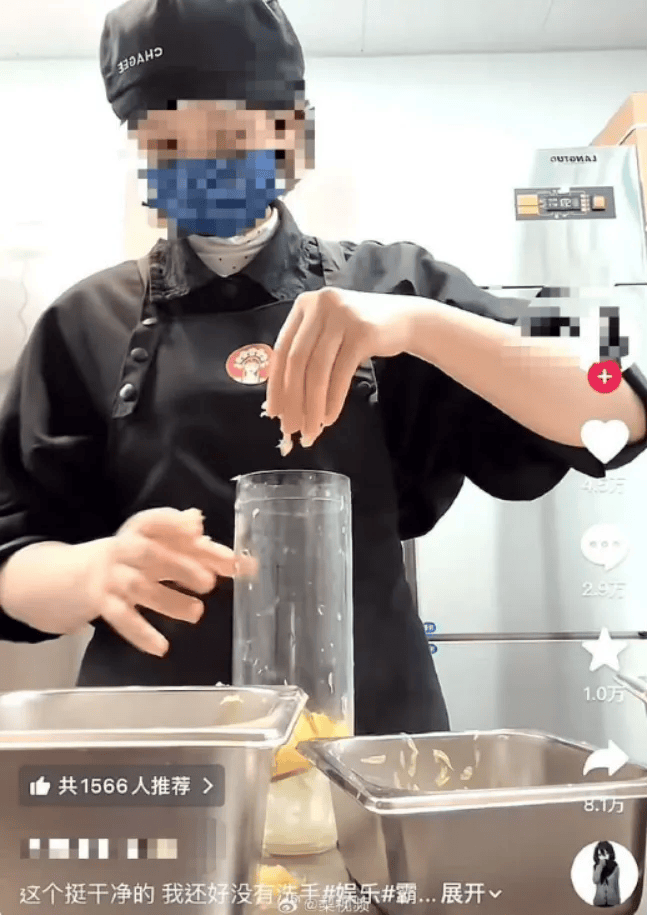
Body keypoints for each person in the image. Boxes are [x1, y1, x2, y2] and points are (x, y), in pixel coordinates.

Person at [0, 0, 645, 738]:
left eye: (230, 134)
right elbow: (11, 559)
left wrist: (418, 325)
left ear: (290, 132)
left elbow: (617, 404)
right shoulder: (85, 321)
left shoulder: (394, 281)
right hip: (157, 750)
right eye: (168, 143)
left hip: (370, 746)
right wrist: (90, 573)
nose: (201, 165)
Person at [592, 841, 621, 907]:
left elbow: (616, 885)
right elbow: (595, 880)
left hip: (613, 902)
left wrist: (618, 901)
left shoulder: (615, 866)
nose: (603, 857)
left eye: (605, 854)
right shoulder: (596, 867)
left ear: (610, 854)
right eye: (600, 855)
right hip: (599, 902)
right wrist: (601, 865)